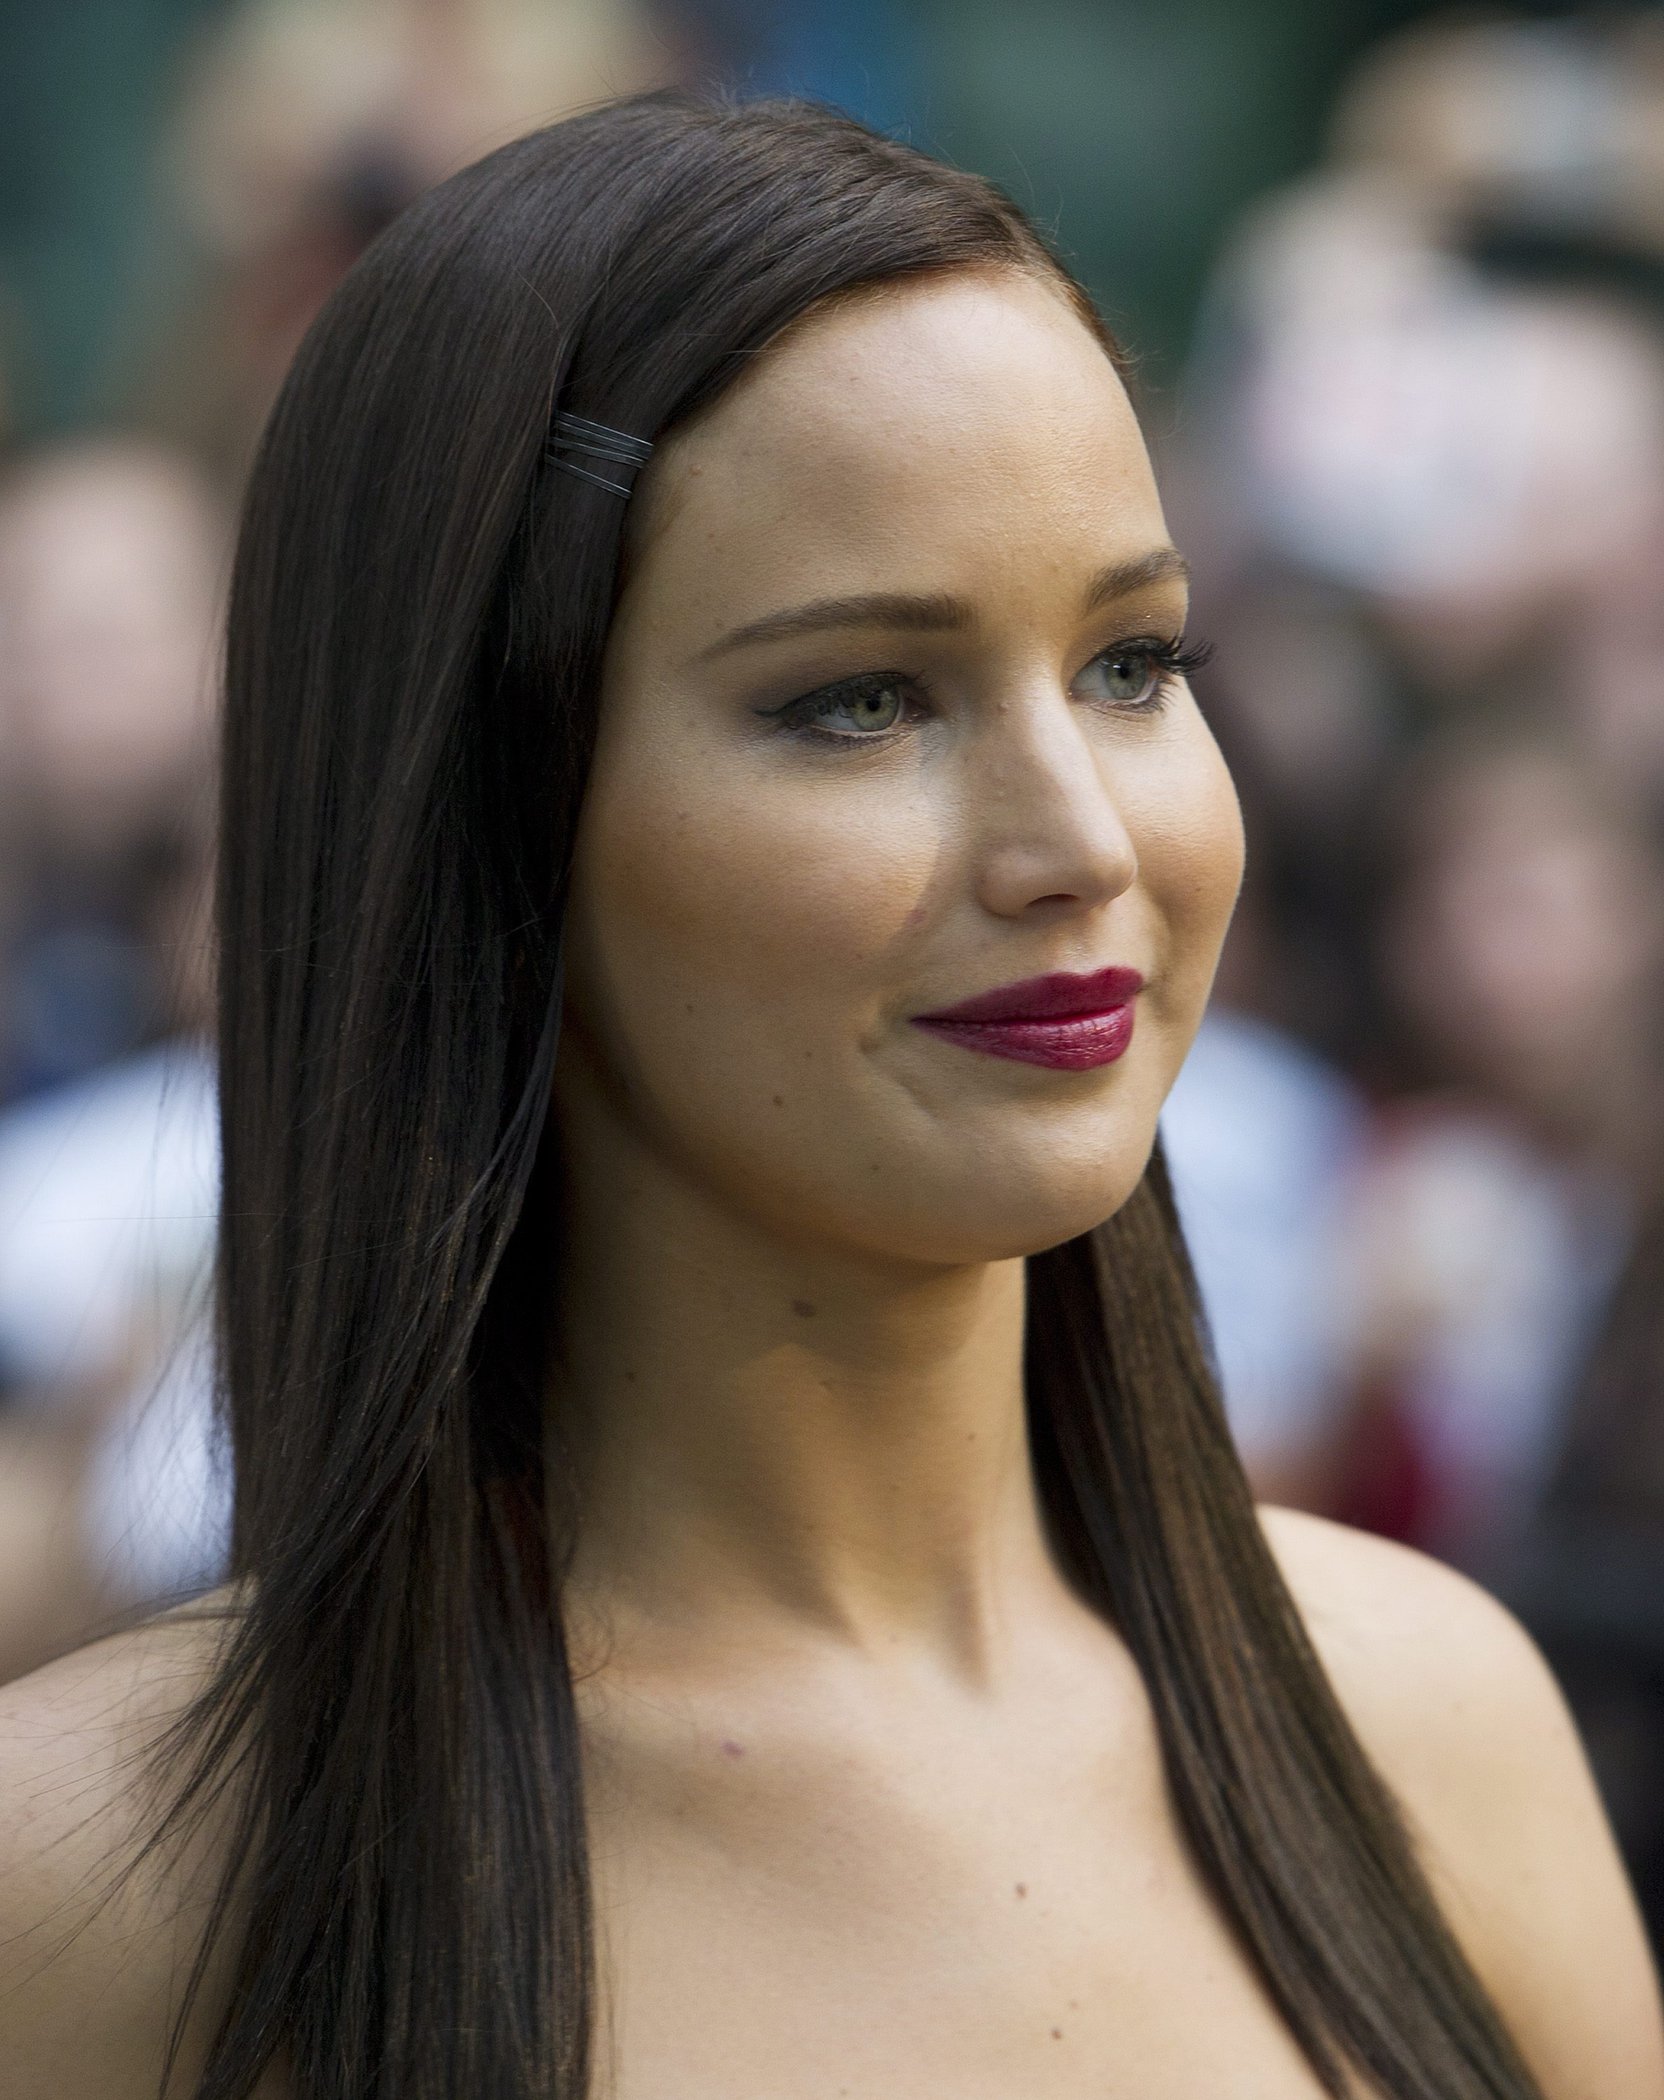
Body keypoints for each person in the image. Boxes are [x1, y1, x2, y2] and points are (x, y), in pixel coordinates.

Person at [0, 93, 1657, 2100]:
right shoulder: (96, 1897)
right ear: (482, 811)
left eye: (1134, 663)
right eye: (861, 698)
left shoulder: (1433, 1731)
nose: (1080, 841)